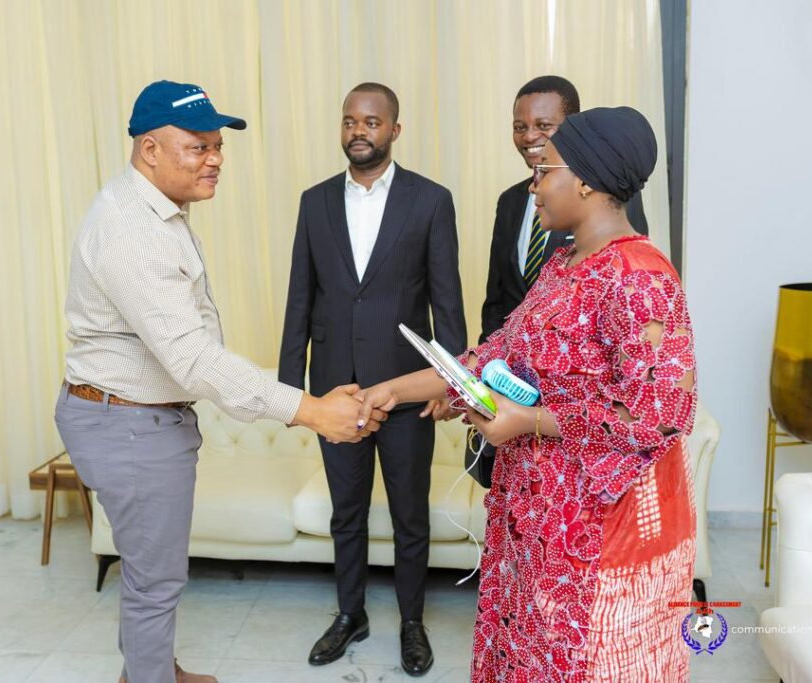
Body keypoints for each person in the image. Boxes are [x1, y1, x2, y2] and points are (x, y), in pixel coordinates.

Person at [55, 80, 387, 683]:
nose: (215, 160)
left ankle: (152, 671)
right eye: (199, 148)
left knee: (151, 574)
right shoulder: (132, 230)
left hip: (139, 416)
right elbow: (191, 358)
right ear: (150, 149)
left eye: (217, 146)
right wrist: (312, 410)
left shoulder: (156, 210)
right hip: (127, 422)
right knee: (155, 581)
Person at [357, 107, 698, 682]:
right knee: (522, 655)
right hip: (532, 515)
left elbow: (661, 414)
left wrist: (529, 420)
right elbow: (494, 356)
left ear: (586, 180)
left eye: (545, 171)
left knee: (577, 663)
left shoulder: (641, 276)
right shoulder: (563, 264)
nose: (533, 185)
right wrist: (388, 390)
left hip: (591, 526)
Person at [278, 82, 466, 677]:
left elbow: (447, 302)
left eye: (371, 121)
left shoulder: (430, 200)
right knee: (346, 512)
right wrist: (292, 391)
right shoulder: (314, 202)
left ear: (394, 130)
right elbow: (300, 298)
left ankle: (411, 622)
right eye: (349, 121)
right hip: (336, 390)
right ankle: (350, 614)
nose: (358, 131)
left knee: (410, 514)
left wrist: (452, 383)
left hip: (406, 389)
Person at [470, 76, 651, 489]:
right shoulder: (518, 213)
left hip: (580, 457)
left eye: (543, 126)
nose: (529, 137)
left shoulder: (620, 230)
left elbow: (647, 412)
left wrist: (533, 416)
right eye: (520, 126)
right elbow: (498, 305)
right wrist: (487, 379)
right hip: (515, 421)